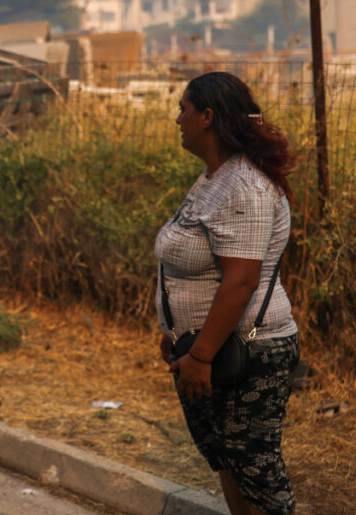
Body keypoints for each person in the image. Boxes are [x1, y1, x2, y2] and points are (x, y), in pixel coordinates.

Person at [155, 72, 298, 515]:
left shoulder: (244, 186)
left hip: (246, 352)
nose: (178, 119)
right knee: (228, 460)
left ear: (207, 117)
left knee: (255, 472)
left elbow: (241, 282)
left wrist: (199, 356)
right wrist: (179, 333)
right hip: (207, 346)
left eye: (184, 109)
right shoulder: (214, 178)